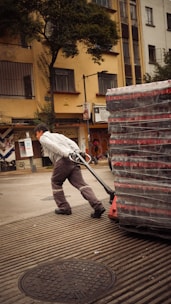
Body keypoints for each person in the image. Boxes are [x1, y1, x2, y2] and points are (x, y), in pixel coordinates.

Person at [34, 123, 106, 218]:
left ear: (40, 131)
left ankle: (64, 208)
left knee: (56, 182)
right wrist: (77, 152)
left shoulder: (43, 137)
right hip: (73, 159)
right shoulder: (58, 135)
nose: (37, 137)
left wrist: (66, 153)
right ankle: (98, 206)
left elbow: (52, 146)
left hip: (63, 159)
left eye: (36, 134)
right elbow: (71, 143)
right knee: (82, 185)